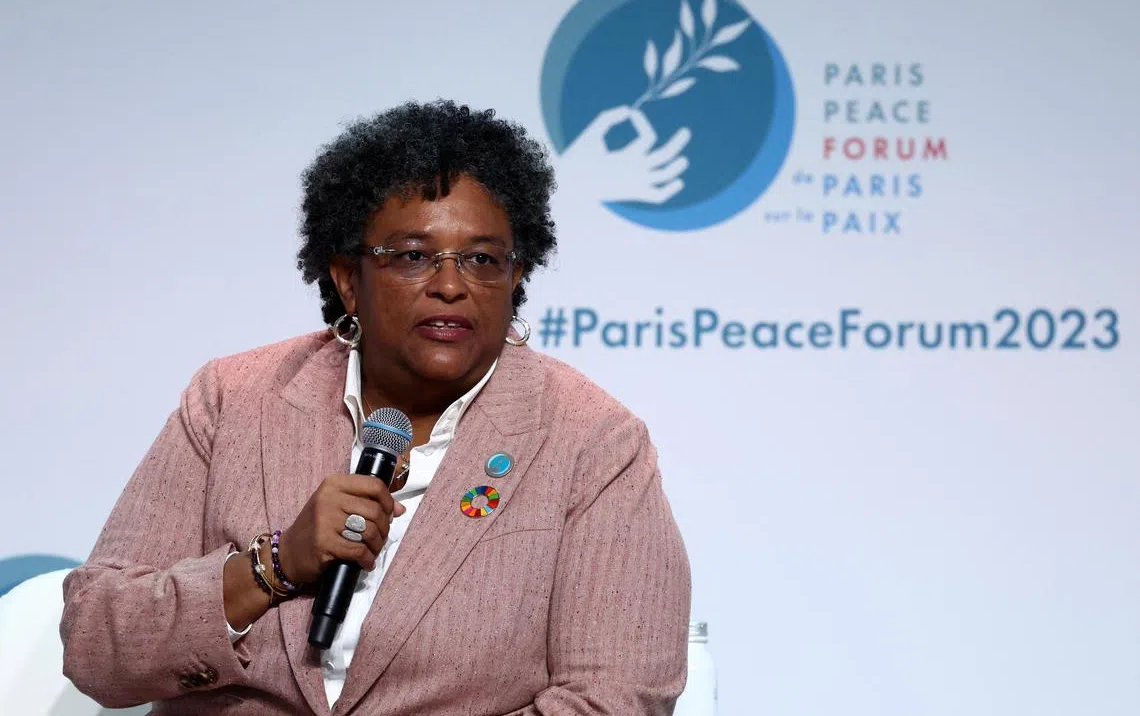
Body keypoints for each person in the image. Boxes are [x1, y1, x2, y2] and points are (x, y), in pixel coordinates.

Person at [60, 100, 691, 715]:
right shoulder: (234, 399)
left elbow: (617, 696)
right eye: (413, 256)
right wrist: (274, 565)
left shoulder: (593, 441)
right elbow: (96, 642)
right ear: (347, 279)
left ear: (516, 276)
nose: (451, 285)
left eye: (481, 259)